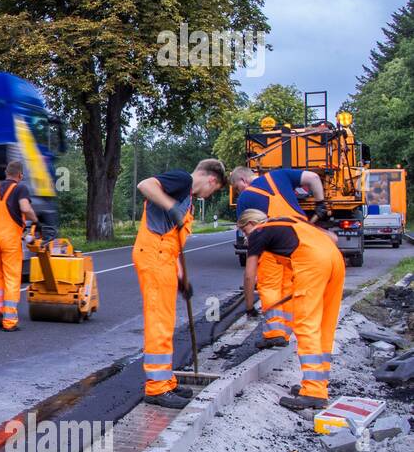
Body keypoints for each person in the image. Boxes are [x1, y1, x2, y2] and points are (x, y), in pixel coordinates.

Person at [133, 159, 228, 408]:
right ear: (211, 180)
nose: (209, 196)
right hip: (153, 256)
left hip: (164, 259)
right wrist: (172, 206)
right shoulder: (182, 181)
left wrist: (181, 277)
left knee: (166, 321)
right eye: (214, 190)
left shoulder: (187, 200)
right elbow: (145, 184)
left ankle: (166, 381)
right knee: (159, 322)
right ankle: (156, 388)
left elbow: (172, 243)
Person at [238, 208, 345, 410]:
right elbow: (332, 238)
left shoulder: (259, 233)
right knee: (325, 325)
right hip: (334, 259)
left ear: (251, 224)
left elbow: (250, 276)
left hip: (313, 264)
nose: (246, 236)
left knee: (306, 325)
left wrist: (250, 306)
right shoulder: (289, 221)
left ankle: (314, 392)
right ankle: (318, 386)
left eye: (244, 231)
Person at [230, 165, 326, 349]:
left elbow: (247, 233)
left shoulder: (245, 197)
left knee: (270, 285)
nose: (239, 191)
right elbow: (314, 177)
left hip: (270, 244)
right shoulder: (280, 176)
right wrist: (320, 204)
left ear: (242, 180)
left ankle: (274, 333)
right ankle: (286, 332)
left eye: (237, 187)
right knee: (289, 286)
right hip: (299, 240)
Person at [0, 160, 37, 332]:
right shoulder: (21, 188)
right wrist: (35, 220)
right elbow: (25, 207)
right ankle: (10, 320)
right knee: (12, 278)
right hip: (9, 240)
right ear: (20, 175)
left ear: (6, 173)